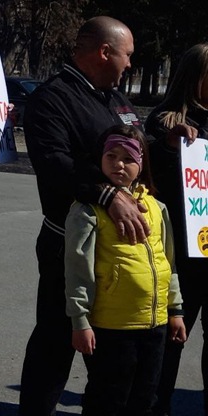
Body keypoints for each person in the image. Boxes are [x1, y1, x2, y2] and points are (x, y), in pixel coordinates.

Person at [19, 15, 148, 415]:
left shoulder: (115, 98)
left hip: (119, 250)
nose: (130, 64)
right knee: (56, 344)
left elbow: (138, 149)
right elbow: (54, 164)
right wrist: (107, 195)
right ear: (104, 52)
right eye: (127, 55)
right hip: (70, 243)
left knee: (113, 356)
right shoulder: (52, 99)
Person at [64, 124, 186, 415]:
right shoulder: (88, 210)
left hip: (155, 326)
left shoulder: (157, 207)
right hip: (112, 327)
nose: (118, 164)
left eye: (128, 158)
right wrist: (80, 321)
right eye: (111, 156)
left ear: (142, 165)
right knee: (107, 400)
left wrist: (176, 310)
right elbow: (77, 269)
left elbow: (167, 263)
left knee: (144, 399)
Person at [145, 43, 208, 415]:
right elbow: (150, 176)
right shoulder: (165, 121)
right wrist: (171, 147)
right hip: (181, 254)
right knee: (170, 340)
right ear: (196, 77)